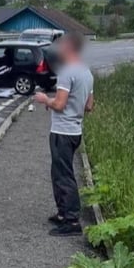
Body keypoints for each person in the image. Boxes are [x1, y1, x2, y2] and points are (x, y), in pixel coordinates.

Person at [34, 31, 94, 236]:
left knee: (64, 176)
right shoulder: (86, 71)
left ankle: (71, 221)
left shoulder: (67, 72)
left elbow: (59, 104)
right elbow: (89, 106)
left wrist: (45, 100)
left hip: (62, 131)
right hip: (75, 130)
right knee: (59, 172)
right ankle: (62, 212)